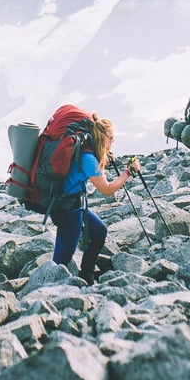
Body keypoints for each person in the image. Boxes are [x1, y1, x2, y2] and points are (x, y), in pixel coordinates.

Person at [49, 117, 140, 286]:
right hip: (67, 209)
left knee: (99, 232)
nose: (113, 142)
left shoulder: (88, 149)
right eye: (111, 138)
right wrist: (128, 173)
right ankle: (50, 287)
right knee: (62, 259)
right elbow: (107, 189)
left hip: (75, 205)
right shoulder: (88, 158)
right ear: (102, 137)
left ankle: (87, 275)